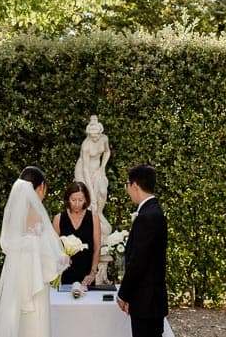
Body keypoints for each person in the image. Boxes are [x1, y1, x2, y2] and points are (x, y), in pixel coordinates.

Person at [0, 166, 69, 337]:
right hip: (34, 279)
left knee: (17, 321)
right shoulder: (37, 215)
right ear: (41, 187)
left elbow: (8, 244)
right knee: (36, 323)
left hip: (16, 278)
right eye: (44, 189)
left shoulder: (14, 215)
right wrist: (62, 260)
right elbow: (46, 253)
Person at [116, 165, 168, 337]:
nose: (127, 189)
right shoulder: (154, 212)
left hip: (146, 300)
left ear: (135, 185)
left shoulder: (147, 217)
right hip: (150, 299)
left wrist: (124, 294)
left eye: (127, 184)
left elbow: (138, 261)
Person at [52, 181, 101, 289]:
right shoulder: (58, 218)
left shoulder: (93, 218)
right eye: (73, 200)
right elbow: (53, 248)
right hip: (64, 275)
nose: (77, 204)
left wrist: (92, 272)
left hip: (87, 277)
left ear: (86, 200)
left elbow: (97, 248)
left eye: (80, 200)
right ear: (68, 199)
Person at [73, 115, 111, 227]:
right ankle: (89, 221)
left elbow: (107, 152)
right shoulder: (86, 146)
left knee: (103, 191)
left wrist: (103, 167)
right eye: (92, 136)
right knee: (88, 198)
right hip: (84, 170)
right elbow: (85, 169)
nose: (94, 138)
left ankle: (99, 214)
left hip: (97, 169)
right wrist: (92, 195)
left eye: (96, 135)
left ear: (100, 132)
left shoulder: (104, 139)